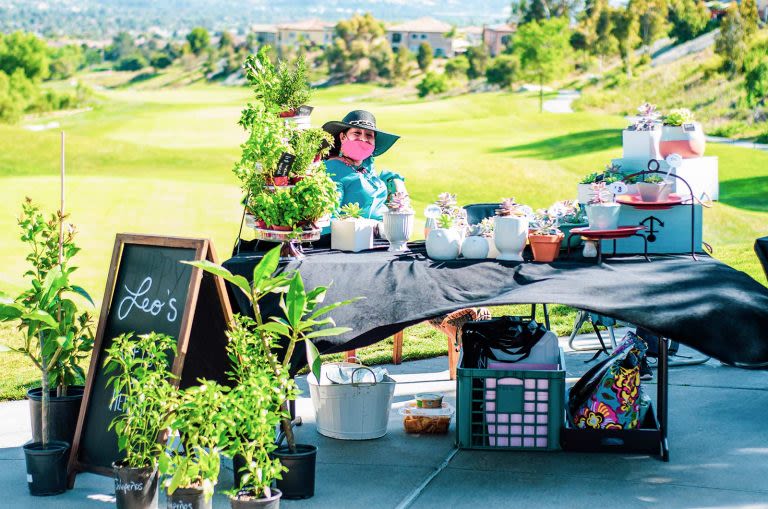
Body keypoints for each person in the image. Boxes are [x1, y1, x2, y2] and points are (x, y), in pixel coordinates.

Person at [322, 110, 407, 222]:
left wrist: (396, 181)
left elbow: (377, 179)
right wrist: (369, 225)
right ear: (343, 137)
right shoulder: (333, 169)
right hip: (356, 236)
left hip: (384, 234)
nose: (363, 139)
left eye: (369, 135)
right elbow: (328, 219)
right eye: (357, 133)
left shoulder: (365, 164)